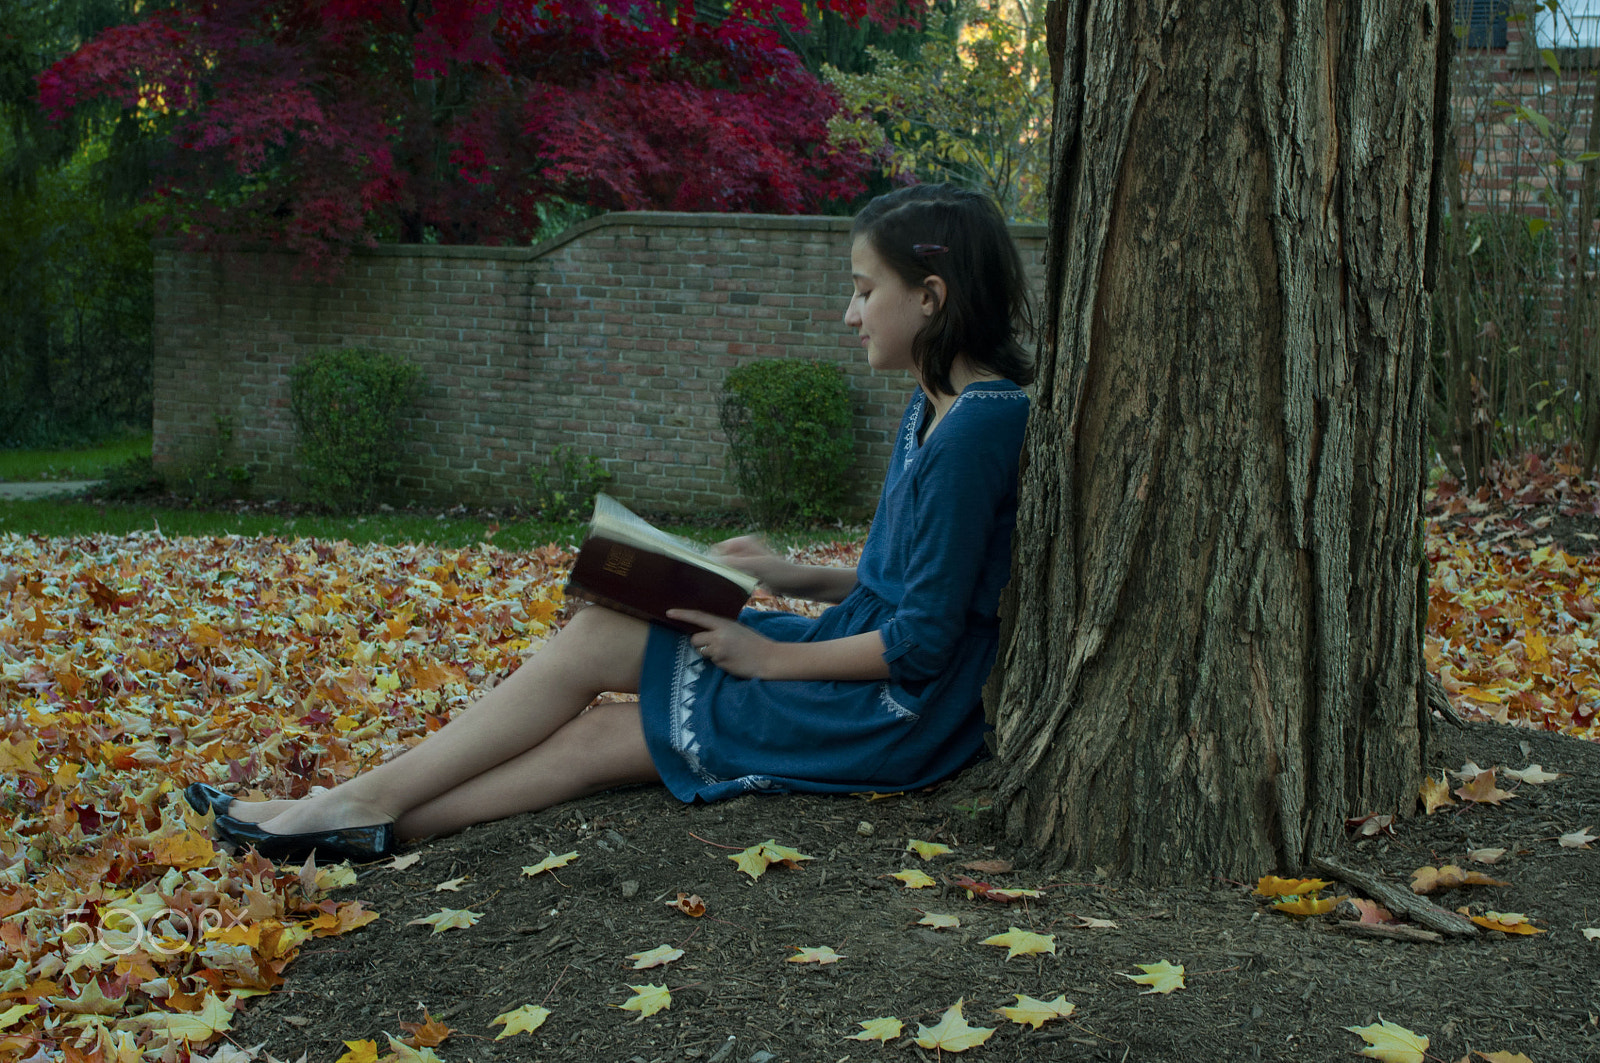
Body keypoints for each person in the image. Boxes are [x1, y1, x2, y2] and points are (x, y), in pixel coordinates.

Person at [194, 183, 1035, 863]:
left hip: (893, 709)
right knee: (605, 635)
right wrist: (793, 576)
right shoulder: (932, 410)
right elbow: (925, 579)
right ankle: (350, 813)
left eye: (862, 290)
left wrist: (772, 655)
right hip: (863, 656)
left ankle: (351, 811)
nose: (850, 315)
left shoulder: (978, 426)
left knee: (605, 717)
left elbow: (923, 640)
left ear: (930, 297)